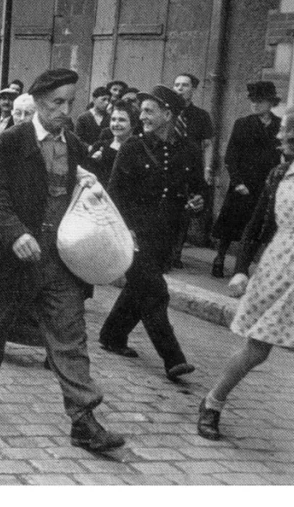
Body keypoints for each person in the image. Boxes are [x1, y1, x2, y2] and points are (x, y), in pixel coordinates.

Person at [0, 68, 124, 451]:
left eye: (71, 102)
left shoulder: (76, 146)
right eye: (58, 103)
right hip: (14, 257)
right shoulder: (9, 143)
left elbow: (75, 191)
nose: (65, 110)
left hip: (60, 258)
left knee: (70, 337)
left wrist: (89, 189)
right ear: (37, 102)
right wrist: (17, 233)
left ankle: (84, 420)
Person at [197, 104, 294, 441]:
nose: (279, 137)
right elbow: (256, 225)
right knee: (256, 351)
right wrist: (241, 270)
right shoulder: (280, 174)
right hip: (282, 268)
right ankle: (212, 403)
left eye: (286, 132)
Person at [100, 85, 204, 382]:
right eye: (142, 110)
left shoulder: (188, 150)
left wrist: (197, 202)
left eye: (149, 111)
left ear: (168, 114)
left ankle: (112, 335)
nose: (142, 116)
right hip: (133, 234)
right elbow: (115, 193)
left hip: (166, 236)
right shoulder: (132, 147)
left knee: (140, 289)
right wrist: (125, 230)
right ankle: (173, 358)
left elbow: (197, 190)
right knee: (155, 292)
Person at [210, 81, 282, 278]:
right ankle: (220, 258)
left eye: (260, 101)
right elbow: (231, 156)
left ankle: (241, 268)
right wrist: (238, 182)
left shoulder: (279, 125)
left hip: (264, 186)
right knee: (229, 225)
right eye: (253, 101)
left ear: (271, 102)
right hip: (242, 184)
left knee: (256, 229)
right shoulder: (243, 124)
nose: (255, 105)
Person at [171, 72, 215, 267]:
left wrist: (207, 168)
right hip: (169, 166)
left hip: (191, 170)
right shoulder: (167, 113)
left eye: (185, 85)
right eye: (177, 85)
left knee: (184, 212)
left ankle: (176, 253)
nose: (179, 89)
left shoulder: (201, 116)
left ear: (193, 90)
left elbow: (207, 144)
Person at [83, 100, 138, 184]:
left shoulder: (139, 148)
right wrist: (93, 161)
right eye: (113, 119)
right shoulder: (99, 146)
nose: (116, 124)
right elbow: (87, 176)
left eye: (122, 120)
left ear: (133, 124)